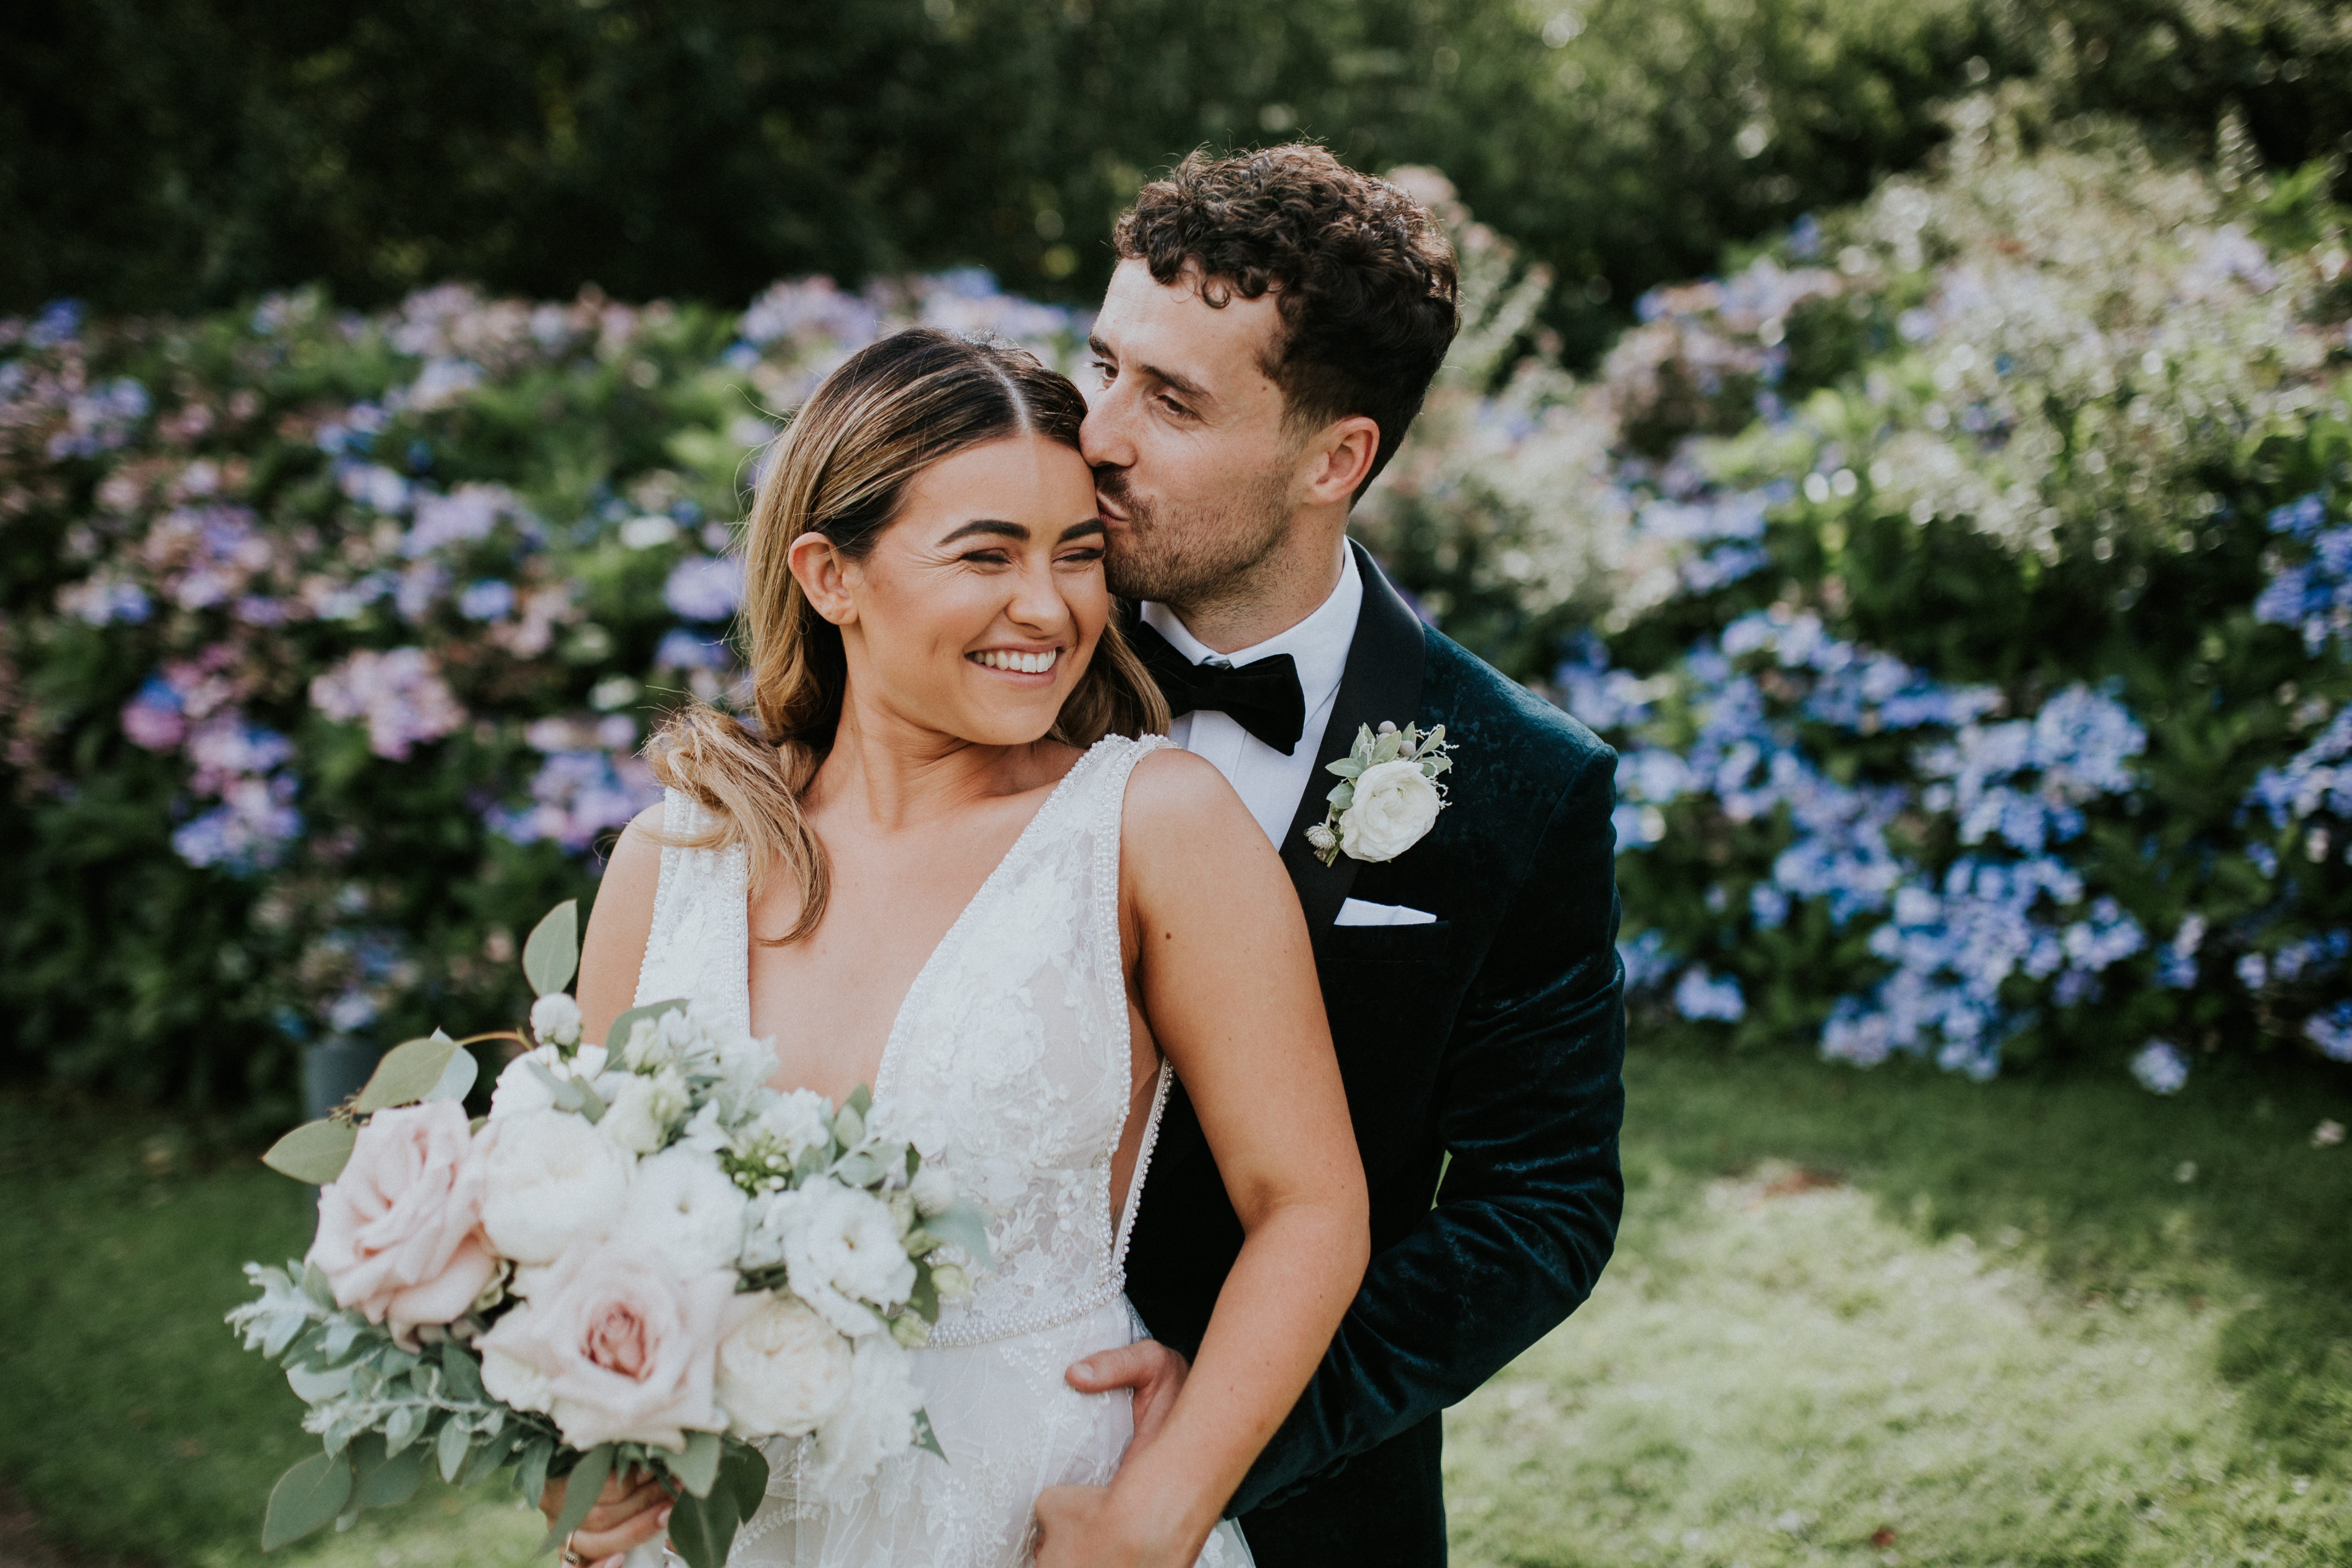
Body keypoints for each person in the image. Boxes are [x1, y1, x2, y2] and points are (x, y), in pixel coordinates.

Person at [541, 328, 1369, 1568]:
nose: (1049, 608)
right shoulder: (675, 860)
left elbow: (1307, 1206)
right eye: (986, 555)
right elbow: (588, 1245)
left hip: (1036, 1524)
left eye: (1077, 555)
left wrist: (1162, 1511)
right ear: (830, 575)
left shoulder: (1147, 823)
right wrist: (583, 1460)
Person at [1059, 145, 1627, 1567]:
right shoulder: (989, 667)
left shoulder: (1517, 779)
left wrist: (1231, 1434)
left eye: (1171, 399)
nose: (1098, 435)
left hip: (1298, 1510)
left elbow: (1540, 1203)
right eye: (1102, 364)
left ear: (1335, 458)